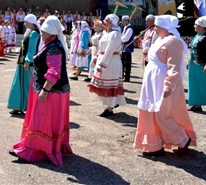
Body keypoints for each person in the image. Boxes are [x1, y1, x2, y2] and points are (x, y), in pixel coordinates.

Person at [10, 16, 73, 166]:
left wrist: (45, 90)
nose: (41, 35)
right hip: (44, 88)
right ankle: (32, 145)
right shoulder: (49, 43)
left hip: (51, 92)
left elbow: (54, 70)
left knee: (42, 120)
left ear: (51, 33)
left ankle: (37, 149)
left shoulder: (54, 47)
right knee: (40, 119)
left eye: (44, 32)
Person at [134, 15, 196, 157]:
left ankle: (182, 139)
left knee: (162, 114)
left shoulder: (173, 42)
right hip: (152, 81)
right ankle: (155, 145)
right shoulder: (159, 40)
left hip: (161, 81)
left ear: (164, 27)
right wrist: (146, 53)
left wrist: (169, 85)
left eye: (157, 26)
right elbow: (155, 58)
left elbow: (174, 66)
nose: (154, 28)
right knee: (150, 112)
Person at [88, 14, 126, 117]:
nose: (103, 22)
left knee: (110, 84)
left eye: (106, 21)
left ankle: (110, 108)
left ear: (112, 23)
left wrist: (102, 65)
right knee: (105, 84)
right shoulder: (107, 33)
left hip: (111, 62)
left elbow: (109, 51)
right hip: (106, 60)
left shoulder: (115, 34)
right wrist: (96, 56)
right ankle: (111, 104)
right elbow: (102, 48)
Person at [7, 14, 40, 115]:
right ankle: (18, 106)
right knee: (19, 84)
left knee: (26, 85)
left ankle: (27, 106)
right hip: (22, 62)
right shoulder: (29, 32)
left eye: (26, 22)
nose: (24, 23)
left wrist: (27, 61)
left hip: (27, 63)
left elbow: (32, 49)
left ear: (31, 22)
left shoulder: (34, 33)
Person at [120, 15, 134, 82]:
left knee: (127, 63)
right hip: (124, 47)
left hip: (127, 48)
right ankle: (123, 76)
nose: (122, 22)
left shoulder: (129, 28)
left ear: (127, 21)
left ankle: (127, 77)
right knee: (123, 62)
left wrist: (119, 39)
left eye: (123, 21)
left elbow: (126, 38)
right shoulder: (126, 27)